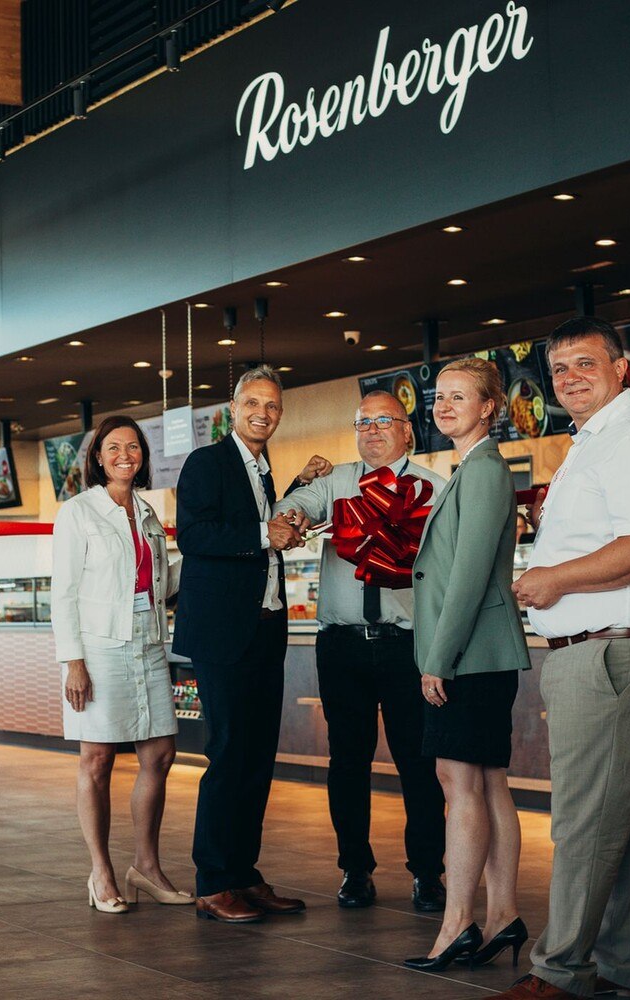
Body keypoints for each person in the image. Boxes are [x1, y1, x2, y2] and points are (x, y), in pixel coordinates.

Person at [490, 317, 630, 1000]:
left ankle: (559, 973)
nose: (569, 379)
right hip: (593, 654)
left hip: (612, 656)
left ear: (621, 368)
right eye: (558, 370)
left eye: (583, 363)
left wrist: (554, 579)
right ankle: (626, 973)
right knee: (617, 823)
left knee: (581, 822)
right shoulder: (590, 444)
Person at [274, 390, 448, 912]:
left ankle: (427, 873)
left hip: (408, 646)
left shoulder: (434, 489)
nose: (372, 429)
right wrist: (291, 512)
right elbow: (293, 508)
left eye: (383, 420)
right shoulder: (334, 482)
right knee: (346, 762)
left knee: (418, 764)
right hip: (342, 646)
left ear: (408, 430)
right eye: (363, 422)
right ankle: (354, 869)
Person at [403, 357, 530, 972]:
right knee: (488, 781)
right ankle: (502, 915)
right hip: (482, 654)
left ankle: (458, 922)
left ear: (489, 407)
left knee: (460, 784)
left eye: (459, 397)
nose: (444, 405)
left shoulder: (482, 472)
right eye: (439, 396)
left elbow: (469, 577)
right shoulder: (471, 468)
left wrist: (438, 658)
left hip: (469, 654)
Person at [174, 364, 308, 924]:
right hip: (223, 634)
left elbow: (262, 544)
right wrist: (263, 535)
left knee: (257, 755)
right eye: (253, 402)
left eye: (272, 406)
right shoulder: (207, 462)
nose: (263, 413)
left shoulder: (265, 471)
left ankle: (243, 874)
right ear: (233, 409)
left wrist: (285, 525)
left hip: (264, 627)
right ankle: (212, 881)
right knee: (228, 752)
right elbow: (195, 534)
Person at [52, 416, 189, 915]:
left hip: (149, 640)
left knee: (160, 754)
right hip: (99, 646)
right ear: (97, 456)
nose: (125, 455)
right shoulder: (78, 512)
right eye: (114, 447)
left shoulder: (147, 511)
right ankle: (101, 870)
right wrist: (73, 663)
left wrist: (198, 552)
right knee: (97, 759)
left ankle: (146, 868)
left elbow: (161, 583)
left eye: (133, 446)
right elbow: (62, 594)